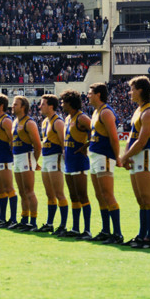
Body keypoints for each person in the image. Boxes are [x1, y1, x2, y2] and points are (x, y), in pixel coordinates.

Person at [120, 76, 150, 249]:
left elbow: (142, 141)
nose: (130, 92)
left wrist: (124, 156)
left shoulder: (149, 112)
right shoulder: (139, 110)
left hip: (144, 155)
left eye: (132, 89)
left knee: (147, 198)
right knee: (140, 199)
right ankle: (142, 235)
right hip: (137, 156)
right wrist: (127, 155)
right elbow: (132, 136)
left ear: (140, 90)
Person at [88, 83, 123, 244]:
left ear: (98, 94)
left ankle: (117, 233)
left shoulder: (106, 112)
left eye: (90, 93)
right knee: (99, 195)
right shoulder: (96, 112)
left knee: (108, 194)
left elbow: (114, 137)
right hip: (95, 157)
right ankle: (105, 230)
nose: (87, 96)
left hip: (104, 157)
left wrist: (117, 157)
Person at [59, 89, 91, 238]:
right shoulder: (67, 119)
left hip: (79, 161)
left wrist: (86, 146)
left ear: (70, 103)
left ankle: (87, 230)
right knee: (73, 196)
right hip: (69, 161)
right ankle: (75, 228)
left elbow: (96, 131)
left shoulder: (82, 118)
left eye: (63, 101)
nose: (61, 104)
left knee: (82, 195)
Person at [35, 95, 69, 233]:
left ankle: (63, 225)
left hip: (56, 158)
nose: (39, 107)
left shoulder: (58, 122)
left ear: (51, 106)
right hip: (47, 158)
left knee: (59, 193)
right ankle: (49, 223)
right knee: (49, 194)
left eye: (42, 104)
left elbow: (63, 144)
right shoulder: (45, 122)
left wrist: (65, 161)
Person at [10, 96, 42, 232]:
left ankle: (33, 221)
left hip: (26, 156)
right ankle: (24, 219)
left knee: (29, 191)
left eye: (15, 104)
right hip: (17, 158)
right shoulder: (15, 122)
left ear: (23, 107)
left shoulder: (29, 123)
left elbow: (37, 144)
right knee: (22, 191)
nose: (12, 106)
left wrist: (34, 160)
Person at [0, 94, 18, 228]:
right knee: (0, 189)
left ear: (1, 105)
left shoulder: (6, 120)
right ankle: (2, 217)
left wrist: (12, 156)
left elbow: (12, 140)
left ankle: (12, 219)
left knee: (9, 188)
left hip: (4, 158)